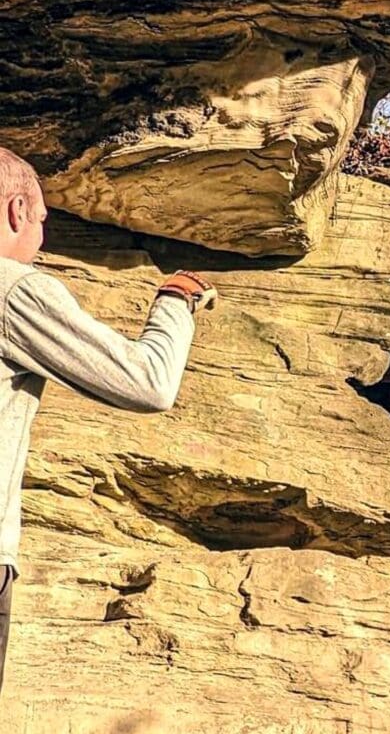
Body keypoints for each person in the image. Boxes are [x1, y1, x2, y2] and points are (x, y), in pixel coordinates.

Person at [0, 147, 217, 695]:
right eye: (43, 222)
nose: (43, 241)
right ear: (16, 211)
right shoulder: (14, 290)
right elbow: (148, 382)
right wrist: (176, 300)